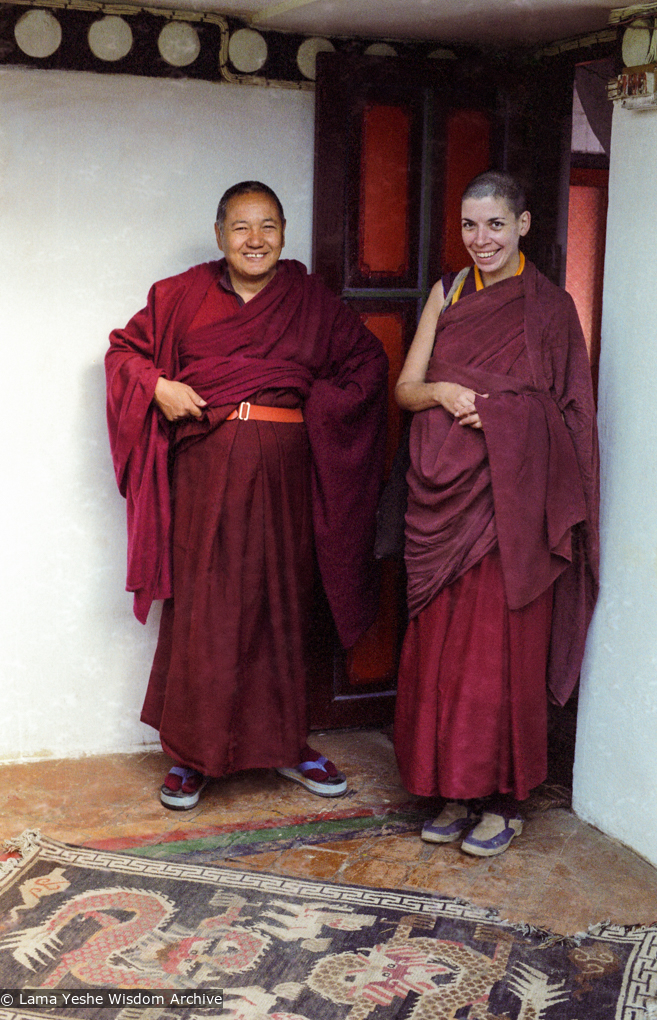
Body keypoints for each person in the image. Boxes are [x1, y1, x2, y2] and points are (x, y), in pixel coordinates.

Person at [106, 181, 387, 810]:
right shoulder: (180, 295)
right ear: (219, 235)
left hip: (286, 479)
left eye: (267, 226)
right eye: (240, 227)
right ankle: (192, 756)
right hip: (204, 474)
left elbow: (367, 364)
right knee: (205, 607)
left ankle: (288, 744)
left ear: (284, 233)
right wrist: (156, 386)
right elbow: (124, 351)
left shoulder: (310, 302)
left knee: (281, 606)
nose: (254, 240)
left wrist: (313, 408)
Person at [393, 171, 599, 856]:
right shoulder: (447, 293)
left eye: (494, 225)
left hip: (513, 508)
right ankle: (453, 792)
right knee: (447, 654)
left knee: (501, 655)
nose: (480, 240)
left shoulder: (551, 308)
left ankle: (504, 800)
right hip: (444, 496)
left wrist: (504, 415)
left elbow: (569, 414)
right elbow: (405, 389)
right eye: (468, 226)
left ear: (523, 226)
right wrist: (444, 390)